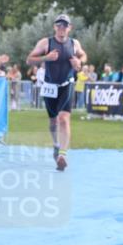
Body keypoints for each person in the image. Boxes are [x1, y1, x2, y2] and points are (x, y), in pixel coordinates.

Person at [25, 13, 87, 171]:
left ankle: (62, 155)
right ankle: (56, 145)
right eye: (59, 25)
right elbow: (29, 60)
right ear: (54, 27)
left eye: (65, 26)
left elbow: (83, 55)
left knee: (63, 118)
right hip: (49, 86)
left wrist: (79, 62)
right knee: (53, 121)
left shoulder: (74, 43)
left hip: (67, 84)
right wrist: (46, 58)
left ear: (69, 28)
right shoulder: (46, 43)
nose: (62, 28)